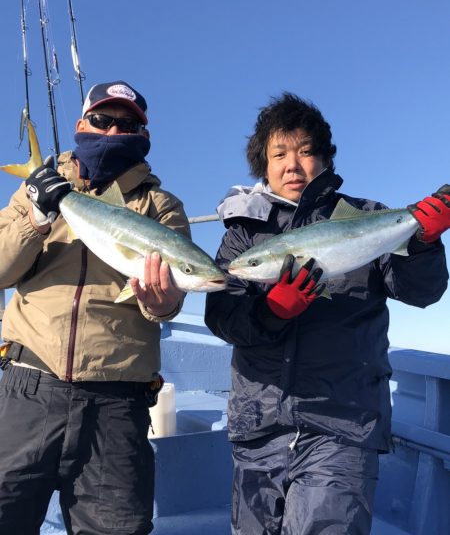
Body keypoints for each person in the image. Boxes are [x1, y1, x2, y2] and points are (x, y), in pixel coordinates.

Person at [205, 93, 449, 535]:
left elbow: (420, 292)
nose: (292, 164)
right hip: (258, 427)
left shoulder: (367, 218)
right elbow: (222, 315)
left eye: (305, 150)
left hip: (343, 425)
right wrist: (271, 312)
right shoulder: (246, 235)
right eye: (279, 153)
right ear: (264, 165)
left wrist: (422, 244)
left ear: (325, 158)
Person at [0, 80, 190, 535]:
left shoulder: (161, 206)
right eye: (102, 121)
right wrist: (36, 215)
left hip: (116, 400)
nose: (112, 132)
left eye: (126, 125)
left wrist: (164, 304)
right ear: (81, 124)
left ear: (142, 136)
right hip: (29, 386)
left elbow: (170, 298)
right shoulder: (38, 188)